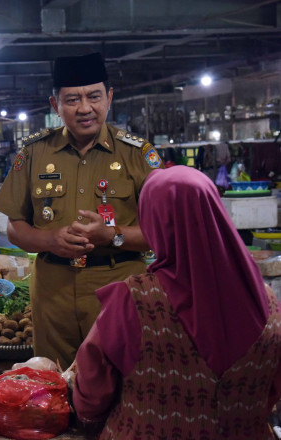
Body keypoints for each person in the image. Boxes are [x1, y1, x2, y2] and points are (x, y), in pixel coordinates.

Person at [71, 166, 281, 439]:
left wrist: (87, 418)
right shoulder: (267, 300)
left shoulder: (134, 300)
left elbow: (92, 390)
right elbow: (273, 388)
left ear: (155, 222)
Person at [0, 52, 163, 369]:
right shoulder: (33, 153)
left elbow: (164, 234)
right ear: (55, 105)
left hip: (120, 290)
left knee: (121, 381)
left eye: (94, 96)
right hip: (52, 293)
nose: (85, 108)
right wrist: (50, 240)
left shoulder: (138, 154)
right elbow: (15, 226)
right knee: (53, 384)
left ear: (109, 98)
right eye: (72, 100)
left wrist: (111, 235)